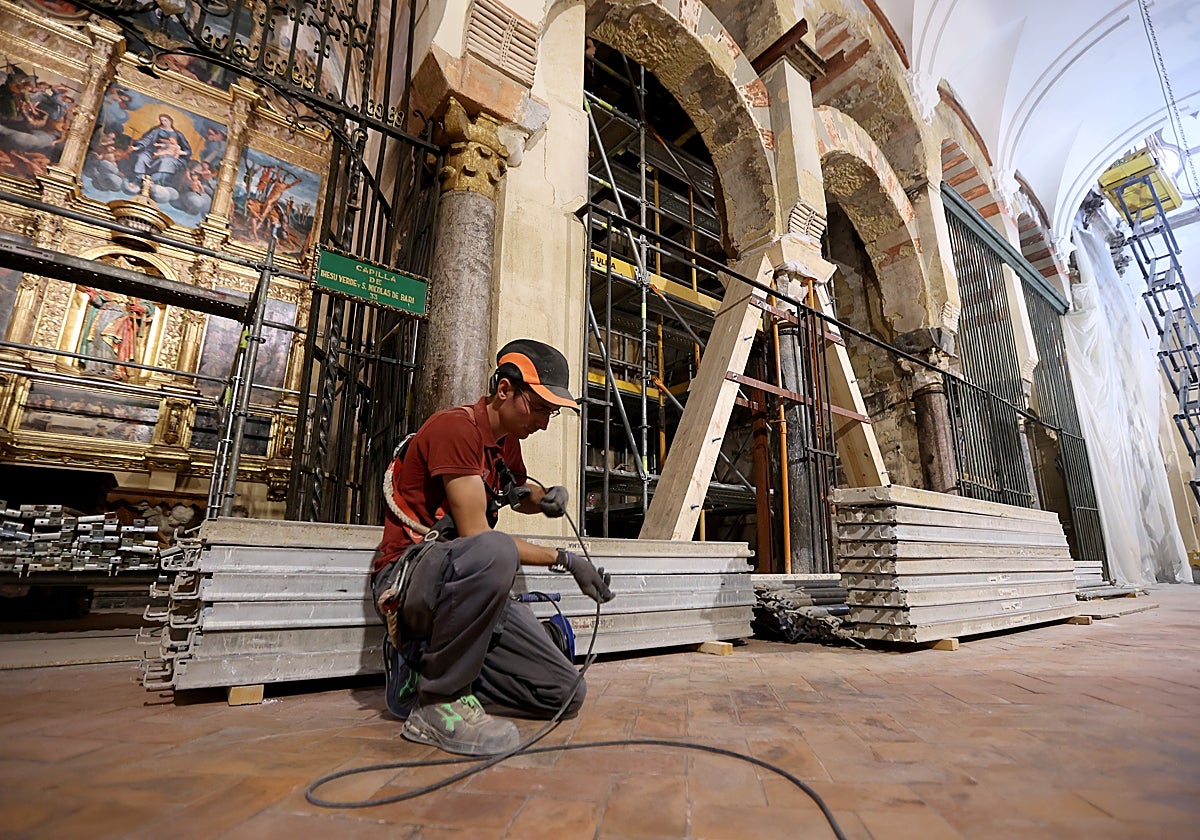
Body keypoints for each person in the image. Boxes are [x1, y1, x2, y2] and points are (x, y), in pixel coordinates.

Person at [371, 338, 615, 757]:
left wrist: (544, 497)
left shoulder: (506, 443)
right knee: (495, 551)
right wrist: (566, 560)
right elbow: (477, 536)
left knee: (564, 692)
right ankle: (437, 702)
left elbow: (516, 492)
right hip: (412, 581)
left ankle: (427, 670)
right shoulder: (455, 429)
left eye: (551, 412)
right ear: (504, 389)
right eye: (539, 408)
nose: (543, 423)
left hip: (463, 584)